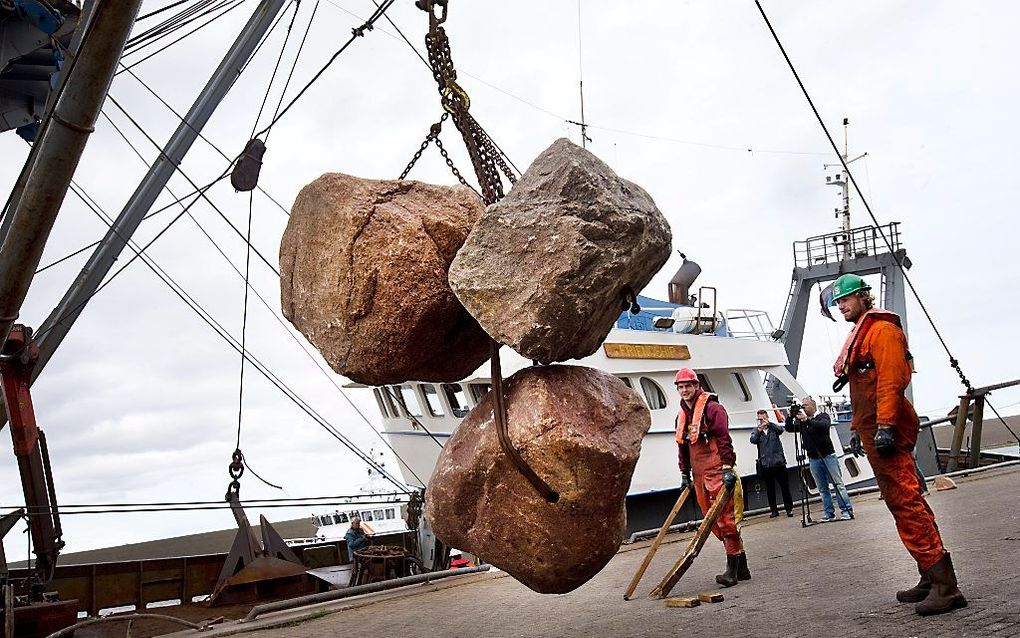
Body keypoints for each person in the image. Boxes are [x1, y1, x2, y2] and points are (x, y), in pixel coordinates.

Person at [832, 273, 966, 615]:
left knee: (906, 502)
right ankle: (928, 574)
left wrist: (887, 426)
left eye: (846, 299)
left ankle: (945, 587)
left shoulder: (882, 332)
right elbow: (865, 389)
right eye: (838, 302)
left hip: (885, 430)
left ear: (864, 297)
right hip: (873, 428)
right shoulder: (864, 331)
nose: (842, 306)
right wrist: (858, 429)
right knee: (902, 503)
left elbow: (892, 381)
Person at [674, 367, 749, 587]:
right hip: (699, 475)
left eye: (689, 385)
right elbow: (682, 448)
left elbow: (724, 438)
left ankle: (732, 571)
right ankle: (742, 567)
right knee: (713, 522)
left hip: (717, 470)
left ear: (697, 386)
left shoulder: (713, 409)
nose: (685, 390)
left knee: (726, 520)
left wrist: (727, 467)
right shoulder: (681, 416)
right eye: (681, 387)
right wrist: (684, 474)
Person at [785, 396, 854, 521]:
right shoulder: (802, 421)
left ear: (813, 406)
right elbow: (789, 428)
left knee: (838, 484)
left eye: (805, 405)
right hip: (813, 458)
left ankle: (846, 511)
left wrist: (807, 420)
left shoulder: (822, 416)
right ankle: (829, 513)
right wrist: (790, 416)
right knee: (822, 488)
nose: (803, 408)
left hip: (827, 455)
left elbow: (823, 426)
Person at [750, 409, 794, 518]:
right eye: (759, 419)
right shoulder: (757, 430)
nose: (761, 421)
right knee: (770, 489)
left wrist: (769, 424)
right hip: (766, 464)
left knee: (785, 487)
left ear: (767, 417)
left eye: (763, 418)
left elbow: (780, 430)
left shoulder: (773, 428)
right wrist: (759, 430)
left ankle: (789, 508)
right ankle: (774, 510)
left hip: (778, 462)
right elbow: (752, 440)